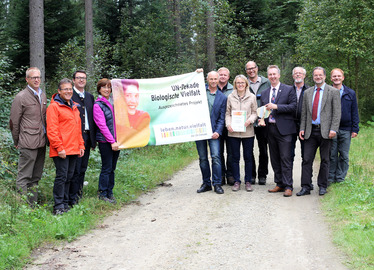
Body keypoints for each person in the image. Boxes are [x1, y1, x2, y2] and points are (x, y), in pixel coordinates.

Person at [297, 67, 341, 196]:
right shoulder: (308, 92)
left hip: (326, 131)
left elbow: (337, 113)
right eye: (315, 75)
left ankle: (322, 186)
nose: (318, 77)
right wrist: (302, 128)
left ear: (325, 76)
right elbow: (304, 113)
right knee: (306, 159)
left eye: (320, 75)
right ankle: (305, 186)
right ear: (313, 77)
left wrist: (333, 129)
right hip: (310, 131)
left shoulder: (333, 92)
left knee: (325, 159)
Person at [9, 67, 47, 206]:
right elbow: (14, 122)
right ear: (27, 79)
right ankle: (23, 208)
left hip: (41, 142)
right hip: (27, 142)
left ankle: (33, 206)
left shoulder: (42, 95)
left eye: (38, 77)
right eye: (33, 77)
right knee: (24, 176)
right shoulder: (21, 97)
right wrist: (17, 140)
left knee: (35, 177)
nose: (36, 80)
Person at [47, 79, 85, 215]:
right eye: (65, 89)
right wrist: (59, 148)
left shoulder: (74, 106)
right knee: (61, 177)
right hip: (61, 150)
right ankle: (58, 206)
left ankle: (65, 203)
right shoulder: (54, 107)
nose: (68, 91)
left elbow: (78, 129)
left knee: (69, 177)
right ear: (59, 91)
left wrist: (81, 145)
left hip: (74, 148)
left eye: (70, 89)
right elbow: (52, 130)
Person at [260, 65, 297, 197]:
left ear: (279, 75)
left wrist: (276, 106)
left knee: (285, 158)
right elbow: (262, 111)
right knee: (274, 158)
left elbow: (293, 107)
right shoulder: (264, 93)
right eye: (270, 74)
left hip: (285, 130)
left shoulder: (288, 89)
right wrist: (261, 119)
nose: (272, 76)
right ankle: (279, 183)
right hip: (270, 129)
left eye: (274, 74)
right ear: (268, 76)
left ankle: (288, 186)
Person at [196, 71, 227, 195]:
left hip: (214, 132)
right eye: (211, 79)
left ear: (218, 80)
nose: (213, 81)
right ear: (207, 80)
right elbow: (192, 84)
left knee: (216, 157)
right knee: (203, 158)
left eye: (215, 79)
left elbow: (222, 117)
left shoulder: (222, 97)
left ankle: (217, 183)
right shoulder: (199, 92)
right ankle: (206, 183)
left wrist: (218, 131)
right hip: (199, 131)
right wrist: (198, 73)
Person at [226, 75, 257, 192]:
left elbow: (255, 112)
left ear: (246, 84)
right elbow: (227, 113)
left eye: (242, 83)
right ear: (235, 84)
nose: (240, 85)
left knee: (248, 157)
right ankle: (237, 181)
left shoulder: (252, 97)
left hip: (247, 132)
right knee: (235, 157)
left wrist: (250, 120)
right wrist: (228, 124)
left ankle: (248, 181)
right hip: (233, 132)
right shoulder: (230, 97)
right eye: (238, 83)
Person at [69, 70, 96, 207]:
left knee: (83, 167)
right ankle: (72, 198)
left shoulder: (90, 97)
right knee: (75, 169)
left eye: (83, 78)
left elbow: (92, 118)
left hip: (87, 136)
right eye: (78, 78)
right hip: (74, 138)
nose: (81, 80)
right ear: (73, 80)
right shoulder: (69, 94)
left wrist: (93, 140)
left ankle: (79, 194)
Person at [328, 68, 359, 184]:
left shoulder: (350, 93)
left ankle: (340, 178)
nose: (336, 78)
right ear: (331, 78)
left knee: (344, 155)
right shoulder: (327, 92)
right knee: (332, 155)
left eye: (339, 76)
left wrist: (355, 128)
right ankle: (330, 178)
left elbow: (354, 111)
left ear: (343, 77)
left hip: (346, 129)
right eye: (334, 76)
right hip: (331, 129)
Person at [93, 78, 120, 203]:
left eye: (109, 87)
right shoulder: (98, 105)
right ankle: (103, 194)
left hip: (116, 140)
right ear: (99, 89)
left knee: (112, 168)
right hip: (105, 142)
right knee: (106, 168)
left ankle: (110, 192)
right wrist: (111, 141)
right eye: (104, 87)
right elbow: (102, 126)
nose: (107, 89)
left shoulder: (114, 103)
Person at [245, 61, 271, 185]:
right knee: (248, 150)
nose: (251, 70)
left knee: (263, 149)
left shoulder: (267, 82)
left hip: (263, 121)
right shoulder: (243, 83)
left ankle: (262, 175)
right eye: (248, 69)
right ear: (246, 71)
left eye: (253, 68)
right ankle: (251, 175)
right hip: (248, 122)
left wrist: (266, 118)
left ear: (257, 68)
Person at [116, 79, 151, 148]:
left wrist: (120, 128)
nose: (133, 101)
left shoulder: (144, 116)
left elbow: (142, 138)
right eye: (128, 95)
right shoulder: (116, 114)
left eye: (136, 96)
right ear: (122, 97)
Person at [217, 67, 234, 185]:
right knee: (218, 152)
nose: (222, 77)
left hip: (231, 125)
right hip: (217, 125)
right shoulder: (211, 88)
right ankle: (221, 175)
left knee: (231, 152)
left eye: (225, 75)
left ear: (228, 77)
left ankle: (231, 175)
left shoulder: (234, 89)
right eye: (220, 75)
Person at [291, 66, 309, 161]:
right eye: (296, 73)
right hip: (290, 124)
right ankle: (287, 176)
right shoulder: (287, 90)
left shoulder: (310, 90)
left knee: (306, 154)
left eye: (300, 73)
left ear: (304, 75)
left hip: (305, 125)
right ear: (293, 76)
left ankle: (306, 176)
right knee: (289, 154)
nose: (298, 74)